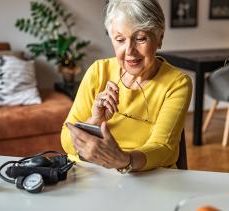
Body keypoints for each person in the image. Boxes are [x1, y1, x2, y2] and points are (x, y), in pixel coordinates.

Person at [61, 0, 192, 173]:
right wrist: (94, 123)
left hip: (148, 178)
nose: (129, 50)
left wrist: (123, 160)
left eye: (140, 39)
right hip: (91, 175)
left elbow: (163, 149)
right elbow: (66, 138)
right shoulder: (98, 71)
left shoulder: (176, 83)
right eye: (120, 39)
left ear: (159, 38)